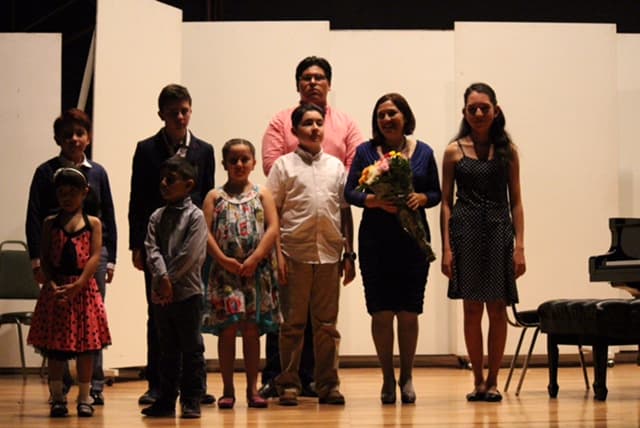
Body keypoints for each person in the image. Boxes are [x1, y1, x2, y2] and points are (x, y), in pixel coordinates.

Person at [259, 55, 364, 399]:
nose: (316, 128)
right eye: (308, 124)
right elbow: (271, 214)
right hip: (294, 252)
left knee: (327, 327)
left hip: (330, 254)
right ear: (295, 130)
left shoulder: (336, 167)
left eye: (320, 124)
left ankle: (328, 384)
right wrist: (277, 256)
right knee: (291, 325)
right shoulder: (284, 167)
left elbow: (345, 209)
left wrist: (349, 253)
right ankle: (287, 383)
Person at [344, 93, 441, 405]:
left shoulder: (423, 152)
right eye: (381, 115)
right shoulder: (364, 152)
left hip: (413, 240)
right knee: (382, 312)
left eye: (392, 113)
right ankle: (387, 376)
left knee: (409, 312)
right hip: (376, 240)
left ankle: (407, 375)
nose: (386, 119)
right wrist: (372, 200)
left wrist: (421, 199)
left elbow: (436, 192)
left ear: (405, 117)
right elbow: (349, 192)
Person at [129, 84, 215, 406]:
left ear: (190, 110)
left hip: (192, 247)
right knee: (159, 315)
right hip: (157, 247)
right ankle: (159, 386)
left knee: (192, 318)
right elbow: (137, 199)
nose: (180, 117)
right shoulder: (147, 149)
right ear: (161, 115)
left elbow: (207, 199)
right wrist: (138, 245)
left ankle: (195, 387)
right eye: (173, 112)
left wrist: (206, 246)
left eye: (185, 110)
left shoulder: (204, 150)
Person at [440, 82, 526, 403]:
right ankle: (477, 379)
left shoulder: (508, 151)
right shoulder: (453, 151)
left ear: (496, 110)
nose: (478, 113)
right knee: (472, 308)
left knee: (497, 308)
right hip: (465, 232)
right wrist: (447, 247)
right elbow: (446, 202)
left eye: (484, 108)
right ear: (464, 112)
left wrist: (520, 246)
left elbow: (516, 200)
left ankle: (493, 380)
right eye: (472, 108)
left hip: (500, 231)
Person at [25, 108, 117, 405]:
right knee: (60, 321)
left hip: (92, 254)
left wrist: (111, 257)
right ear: (58, 139)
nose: (74, 139)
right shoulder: (45, 172)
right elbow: (34, 215)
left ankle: (93, 388)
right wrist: (37, 263)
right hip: (57, 255)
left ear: (88, 138)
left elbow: (108, 215)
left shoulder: (98, 172)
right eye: (67, 135)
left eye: (79, 134)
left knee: (90, 322)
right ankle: (60, 387)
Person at [202, 139, 281, 410]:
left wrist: (256, 257)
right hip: (225, 275)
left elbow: (273, 228)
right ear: (224, 164)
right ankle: (227, 389)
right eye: (233, 160)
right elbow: (207, 233)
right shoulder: (214, 196)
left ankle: (252, 388)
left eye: (244, 159)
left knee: (251, 329)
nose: (239, 164)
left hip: (256, 273)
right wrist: (223, 260)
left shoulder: (262, 194)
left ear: (254, 163)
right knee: (227, 330)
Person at [140, 157, 208, 419]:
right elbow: (151, 248)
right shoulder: (157, 216)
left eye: (171, 179)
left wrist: (169, 279)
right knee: (166, 348)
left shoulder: (196, 216)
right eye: (163, 179)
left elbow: (190, 254)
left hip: (187, 292)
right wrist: (161, 278)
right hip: (161, 291)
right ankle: (166, 400)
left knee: (191, 348)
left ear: (188, 185)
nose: (164, 184)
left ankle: (192, 399)